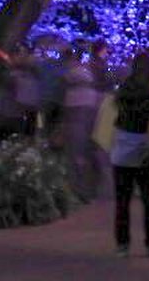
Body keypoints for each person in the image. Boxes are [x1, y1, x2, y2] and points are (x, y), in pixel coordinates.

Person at [98, 51, 149, 259]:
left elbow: (112, 115)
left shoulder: (124, 86)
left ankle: (122, 244)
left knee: (122, 200)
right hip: (147, 146)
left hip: (122, 146)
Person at [60, 41, 109, 200]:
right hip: (90, 110)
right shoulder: (90, 70)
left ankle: (82, 188)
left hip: (80, 112)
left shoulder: (77, 71)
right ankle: (87, 187)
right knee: (87, 150)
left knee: (78, 151)